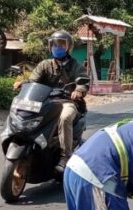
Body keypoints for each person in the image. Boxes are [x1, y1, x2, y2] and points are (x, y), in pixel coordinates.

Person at [14, 30, 89, 173]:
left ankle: (65, 155)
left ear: (68, 47)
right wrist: (23, 83)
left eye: (61, 44)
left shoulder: (75, 66)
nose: (57, 47)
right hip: (46, 101)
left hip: (67, 102)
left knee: (65, 118)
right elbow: (33, 80)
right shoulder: (45, 65)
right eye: (53, 44)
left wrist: (78, 91)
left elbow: (83, 81)